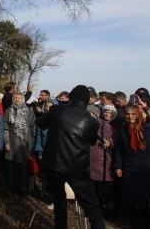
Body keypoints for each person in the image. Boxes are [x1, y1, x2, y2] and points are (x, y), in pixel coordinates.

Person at [36, 85, 105, 229]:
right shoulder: (91, 121)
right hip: (77, 168)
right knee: (92, 207)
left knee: (59, 200)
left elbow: (40, 123)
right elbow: (91, 141)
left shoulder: (58, 110)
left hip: (53, 165)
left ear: (71, 97)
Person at [113, 106, 150, 214]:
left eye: (133, 114)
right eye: (128, 114)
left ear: (139, 115)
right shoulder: (123, 131)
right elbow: (119, 150)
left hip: (148, 170)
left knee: (147, 199)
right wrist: (118, 166)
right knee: (131, 197)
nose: (130, 117)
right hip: (129, 168)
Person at [3, 91, 36, 192]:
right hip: (12, 142)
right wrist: (6, 142)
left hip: (25, 143)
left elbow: (33, 128)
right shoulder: (9, 111)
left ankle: (25, 187)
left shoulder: (29, 112)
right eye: (15, 98)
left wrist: (32, 145)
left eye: (19, 98)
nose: (16, 100)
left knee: (24, 166)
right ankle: (13, 187)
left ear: (23, 100)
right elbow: (6, 128)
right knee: (13, 166)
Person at [90, 106, 118, 218]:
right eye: (105, 112)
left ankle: (109, 212)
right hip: (93, 161)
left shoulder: (112, 126)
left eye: (109, 112)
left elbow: (118, 140)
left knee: (108, 191)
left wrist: (110, 142)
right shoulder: (94, 125)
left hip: (106, 163)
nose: (106, 114)